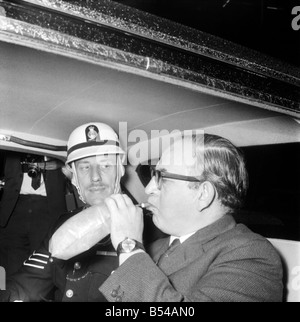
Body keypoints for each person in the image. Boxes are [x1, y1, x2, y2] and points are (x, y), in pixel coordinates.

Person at [99, 133, 283, 302]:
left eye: (162, 177)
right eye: (152, 174)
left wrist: (129, 246)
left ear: (203, 194)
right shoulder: (154, 246)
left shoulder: (251, 256)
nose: (148, 189)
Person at [0, 122, 126, 302]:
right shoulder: (63, 224)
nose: (95, 176)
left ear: (120, 169)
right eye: (85, 167)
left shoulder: (151, 229)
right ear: (73, 176)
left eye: (105, 165)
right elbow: (26, 285)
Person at [0, 151, 67, 276]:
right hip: (13, 208)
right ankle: (8, 295)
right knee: (10, 267)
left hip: (48, 208)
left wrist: (59, 162)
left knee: (44, 267)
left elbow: (77, 157)